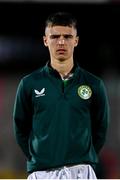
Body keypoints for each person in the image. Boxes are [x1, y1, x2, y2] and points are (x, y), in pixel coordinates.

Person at [13, 11, 109, 179]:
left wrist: (84, 156)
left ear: (76, 40)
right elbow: (20, 127)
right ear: (45, 40)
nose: (61, 42)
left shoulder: (94, 84)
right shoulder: (29, 83)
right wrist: (37, 157)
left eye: (68, 36)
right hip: (42, 172)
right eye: (55, 36)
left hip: (81, 171)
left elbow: (100, 129)